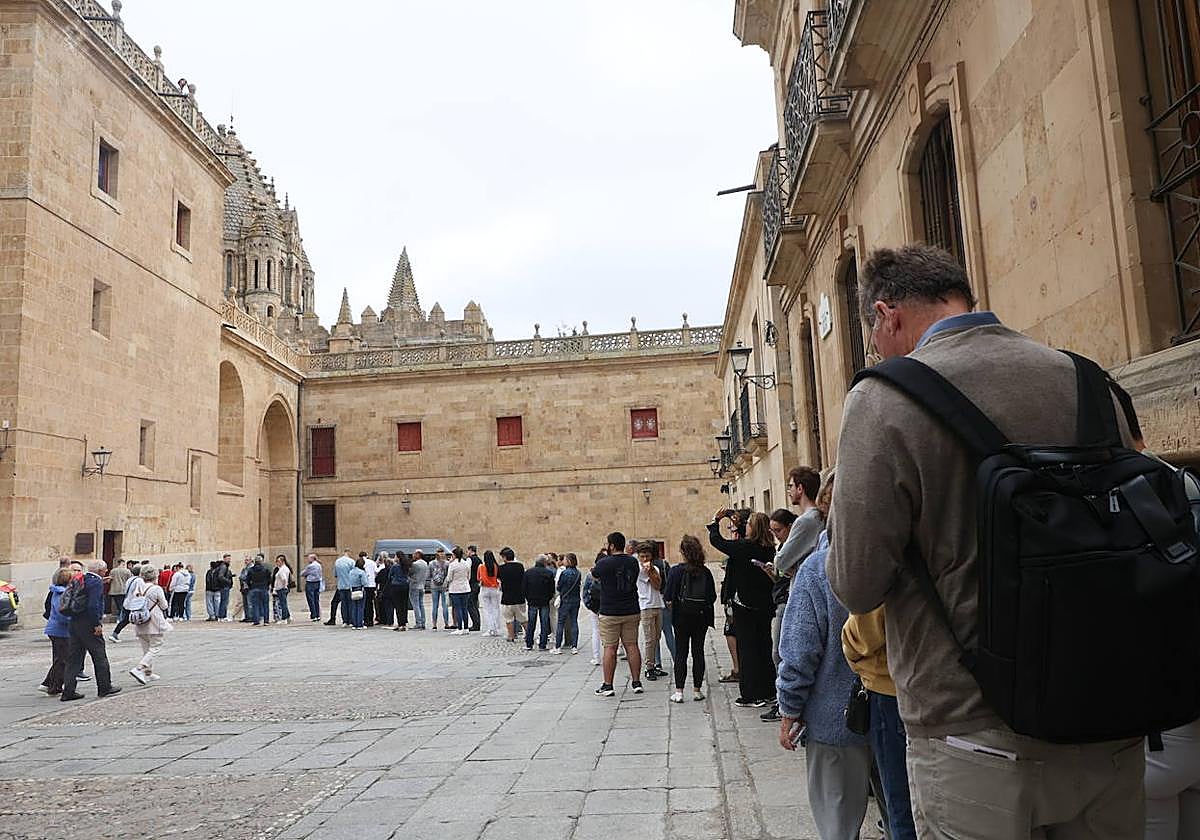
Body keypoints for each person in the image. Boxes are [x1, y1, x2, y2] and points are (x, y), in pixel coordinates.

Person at [827, 244, 1146, 838]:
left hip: (970, 732)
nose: (880, 348)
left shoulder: (883, 399)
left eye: (875, 333)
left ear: (888, 314)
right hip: (1107, 714)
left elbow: (855, 580)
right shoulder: (1087, 379)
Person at [777, 542, 870, 840]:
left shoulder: (819, 568)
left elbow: (800, 649)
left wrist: (789, 708)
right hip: (897, 713)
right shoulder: (899, 553)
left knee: (837, 824)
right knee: (903, 817)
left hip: (835, 717)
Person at [709, 509, 776, 708]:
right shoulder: (768, 548)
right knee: (764, 646)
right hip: (764, 605)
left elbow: (717, 541)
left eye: (747, 525)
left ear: (752, 529)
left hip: (745, 605)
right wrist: (735, 521)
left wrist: (716, 521)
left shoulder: (744, 547)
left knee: (746, 649)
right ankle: (769, 690)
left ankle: (751, 694)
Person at [663, 535, 717, 702]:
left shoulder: (676, 571)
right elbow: (712, 597)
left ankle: (679, 691)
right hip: (700, 618)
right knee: (698, 652)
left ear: (683, 552)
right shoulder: (705, 572)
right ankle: (697, 690)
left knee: (681, 653)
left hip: (681, 618)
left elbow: (668, 596)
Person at [61, 560, 120, 701]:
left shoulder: (82, 578)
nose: (106, 572)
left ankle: (68, 691)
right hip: (88, 623)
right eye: (105, 569)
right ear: (100, 570)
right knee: (99, 654)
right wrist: (96, 624)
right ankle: (104, 686)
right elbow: (93, 605)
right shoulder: (95, 582)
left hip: (74, 621)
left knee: (74, 658)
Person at [592, 532, 643, 697]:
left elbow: (594, 575)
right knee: (632, 645)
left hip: (610, 610)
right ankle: (636, 682)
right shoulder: (633, 561)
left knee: (610, 647)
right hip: (631, 608)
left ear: (611, 546)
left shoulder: (604, 563)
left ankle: (608, 685)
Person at [761, 507, 798, 723]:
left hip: (788, 602)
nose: (775, 534)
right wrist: (773, 574)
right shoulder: (784, 546)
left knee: (780, 653)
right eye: (772, 530)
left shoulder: (795, 545)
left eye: (778, 530)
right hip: (781, 599)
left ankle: (784, 701)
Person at [717, 510, 749, 685]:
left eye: (734, 523)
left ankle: (738, 669)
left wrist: (716, 521)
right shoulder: (751, 542)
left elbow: (717, 542)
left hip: (737, 595)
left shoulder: (742, 543)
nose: (730, 526)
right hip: (740, 594)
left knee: (731, 630)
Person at [129, 564, 171, 685]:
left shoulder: (138, 588)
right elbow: (164, 606)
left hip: (140, 621)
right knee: (155, 647)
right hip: (154, 621)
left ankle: (148, 672)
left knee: (146, 648)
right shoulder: (156, 589)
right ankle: (139, 668)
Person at [635, 543, 668, 681]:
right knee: (649, 639)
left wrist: (651, 571)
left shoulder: (655, 568)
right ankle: (649, 667)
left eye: (647, 556)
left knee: (657, 637)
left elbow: (658, 585)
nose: (644, 559)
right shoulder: (638, 569)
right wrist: (647, 571)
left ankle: (654, 665)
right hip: (646, 605)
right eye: (642, 556)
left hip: (657, 604)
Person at [38, 568, 73, 696]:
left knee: (61, 659)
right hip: (60, 630)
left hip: (56, 629)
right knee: (63, 659)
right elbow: (61, 613)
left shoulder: (57, 592)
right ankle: (53, 686)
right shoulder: (62, 593)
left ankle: (49, 684)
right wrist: (72, 620)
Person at [523, 555, 555, 651]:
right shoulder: (548, 573)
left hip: (532, 600)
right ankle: (543, 644)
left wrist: (528, 598)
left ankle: (529, 643)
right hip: (544, 601)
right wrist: (548, 598)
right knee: (544, 623)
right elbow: (551, 589)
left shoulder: (528, 573)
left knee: (531, 623)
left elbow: (524, 587)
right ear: (545, 563)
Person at [554, 553, 581, 654]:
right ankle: (574, 646)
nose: (563, 561)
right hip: (575, 600)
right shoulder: (578, 573)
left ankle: (558, 647)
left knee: (561, 622)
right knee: (574, 622)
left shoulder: (564, 573)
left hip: (565, 600)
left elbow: (559, 586)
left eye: (565, 560)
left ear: (569, 561)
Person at [497, 547, 526, 642]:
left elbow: (499, 580)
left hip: (507, 596)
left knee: (508, 618)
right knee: (522, 618)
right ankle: (529, 633)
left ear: (505, 557)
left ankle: (511, 635)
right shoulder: (520, 566)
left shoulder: (501, 568)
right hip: (519, 596)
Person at [582, 552, 604, 665]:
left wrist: (588, 605)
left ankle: (596, 657)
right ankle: (613, 653)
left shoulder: (590, 575)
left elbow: (585, 591)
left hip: (595, 607)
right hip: (608, 607)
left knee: (596, 631)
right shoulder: (609, 573)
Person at [446, 548, 473, 635]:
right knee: (464, 608)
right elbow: (469, 576)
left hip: (455, 589)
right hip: (465, 588)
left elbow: (449, 578)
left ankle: (460, 627)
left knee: (458, 608)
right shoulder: (466, 564)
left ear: (454, 555)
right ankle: (466, 627)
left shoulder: (452, 565)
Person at [477, 549, 502, 636]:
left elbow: (479, 578)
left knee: (487, 610)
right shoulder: (496, 566)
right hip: (494, 588)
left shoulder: (481, 567)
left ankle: (490, 628)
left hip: (485, 589)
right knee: (496, 609)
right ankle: (496, 628)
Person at [245, 555, 272, 626]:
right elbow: (270, 579)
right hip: (264, 588)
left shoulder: (251, 570)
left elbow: (247, 580)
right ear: (261, 562)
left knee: (255, 605)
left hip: (254, 588)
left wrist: (251, 587)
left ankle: (256, 620)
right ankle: (266, 621)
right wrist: (267, 586)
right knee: (265, 605)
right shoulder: (266, 570)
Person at [331, 549, 354, 627]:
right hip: (349, 586)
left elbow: (335, 574)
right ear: (349, 553)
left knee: (343, 604)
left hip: (341, 586)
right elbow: (353, 574)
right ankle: (351, 621)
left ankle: (345, 621)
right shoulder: (351, 562)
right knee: (350, 603)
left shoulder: (337, 561)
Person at [389, 552, 411, 631]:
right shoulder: (406, 565)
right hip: (405, 586)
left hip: (396, 586)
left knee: (398, 606)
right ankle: (404, 623)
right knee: (404, 605)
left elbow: (390, 575)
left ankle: (400, 623)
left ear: (398, 557)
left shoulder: (395, 566)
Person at [429, 548, 450, 630]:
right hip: (444, 585)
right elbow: (448, 574)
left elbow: (430, 574)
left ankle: (434, 624)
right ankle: (446, 623)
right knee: (445, 605)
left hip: (434, 586)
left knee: (435, 605)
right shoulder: (447, 563)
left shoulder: (431, 563)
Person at [347, 556, 370, 629]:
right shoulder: (361, 572)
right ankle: (360, 624)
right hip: (360, 589)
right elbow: (365, 583)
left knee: (354, 607)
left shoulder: (351, 571)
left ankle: (354, 624)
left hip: (352, 589)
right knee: (360, 607)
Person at [408, 550, 429, 630]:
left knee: (415, 605)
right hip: (422, 586)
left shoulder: (415, 564)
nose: (413, 555)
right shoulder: (425, 563)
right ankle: (423, 622)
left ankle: (418, 623)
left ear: (418, 555)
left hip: (414, 586)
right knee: (421, 604)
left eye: (414, 554)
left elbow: (410, 573)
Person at [301, 554, 323, 621]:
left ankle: (313, 615)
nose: (308, 559)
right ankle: (318, 615)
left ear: (312, 559)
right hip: (317, 582)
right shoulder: (319, 565)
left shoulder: (311, 566)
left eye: (309, 558)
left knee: (311, 599)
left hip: (310, 583)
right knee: (316, 599)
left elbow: (303, 573)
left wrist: (306, 574)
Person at [375, 553, 394, 626]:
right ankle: (390, 620)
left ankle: (385, 620)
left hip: (384, 590)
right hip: (392, 590)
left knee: (385, 606)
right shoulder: (392, 571)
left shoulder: (382, 571)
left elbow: (377, 580)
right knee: (391, 607)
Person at [466, 544, 482, 632]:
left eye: (468, 551)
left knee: (470, 604)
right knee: (475, 604)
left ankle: (475, 624)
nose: (467, 553)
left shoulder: (470, 559)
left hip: (471, 583)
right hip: (477, 583)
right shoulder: (479, 560)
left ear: (471, 550)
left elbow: (468, 570)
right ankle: (477, 623)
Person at [273, 555, 292, 624]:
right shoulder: (285, 568)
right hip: (282, 588)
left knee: (283, 604)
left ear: (282, 562)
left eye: (278, 561)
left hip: (281, 588)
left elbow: (284, 579)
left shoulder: (282, 570)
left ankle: (284, 618)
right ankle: (288, 616)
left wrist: (283, 586)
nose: (277, 563)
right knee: (284, 603)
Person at [360, 551, 377, 627]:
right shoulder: (372, 562)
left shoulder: (361, 562)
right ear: (366, 555)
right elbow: (376, 572)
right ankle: (370, 620)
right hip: (372, 585)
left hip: (364, 585)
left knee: (364, 603)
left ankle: (365, 619)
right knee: (370, 603)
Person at [216, 554, 234, 621]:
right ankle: (223, 616)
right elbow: (220, 576)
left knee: (223, 601)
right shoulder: (224, 566)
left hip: (223, 586)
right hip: (224, 586)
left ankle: (222, 616)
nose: (229, 560)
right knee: (224, 601)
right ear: (224, 559)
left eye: (229, 559)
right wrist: (228, 581)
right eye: (228, 559)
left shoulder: (224, 566)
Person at [238, 557, 253, 622]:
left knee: (250, 603)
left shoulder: (252, 568)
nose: (245, 561)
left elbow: (246, 577)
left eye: (247, 560)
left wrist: (243, 577)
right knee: (245, 603)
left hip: (249, 587)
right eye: (245, 560)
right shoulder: (244, 569)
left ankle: (251, 616)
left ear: (251, 560)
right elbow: (241, 577)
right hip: (244, 587)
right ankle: (247, 616)